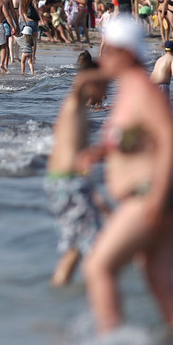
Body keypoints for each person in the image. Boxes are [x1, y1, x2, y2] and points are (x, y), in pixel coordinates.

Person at [83, 16, 173, 335]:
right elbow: (133, 138)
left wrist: (156, 197)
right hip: (154, 195)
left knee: (98, 267)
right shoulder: (127, 91)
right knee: (162, 288)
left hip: (150, 194)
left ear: (125, 53)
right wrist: (98, 153)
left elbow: (170, 137)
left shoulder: (142, 90)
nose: (103, 59)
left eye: (108, 51)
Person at [45, 67, 108, 287]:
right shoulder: (73, 106)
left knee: (74, 249)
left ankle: (58, 294)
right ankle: (101, 302)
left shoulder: (77, 110)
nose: (106, 92)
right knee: (96, 247)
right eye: (104, 87)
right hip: (69, 182)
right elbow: (82, 80)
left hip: (63, 181)